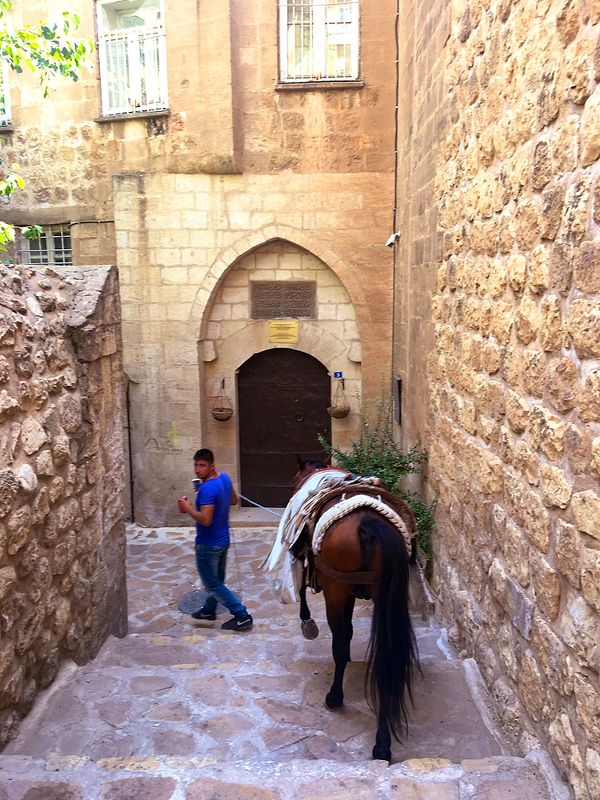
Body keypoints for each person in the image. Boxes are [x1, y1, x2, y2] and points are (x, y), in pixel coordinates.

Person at [177, 448, 253, 631]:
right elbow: (234, 500)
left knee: (212, 583)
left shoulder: (207, 489)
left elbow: (205, 519)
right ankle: (209, 610)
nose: (197, 470)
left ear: (212, 466)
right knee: (217, 579)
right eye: (196, 465)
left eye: (202, 466)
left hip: (208, 544)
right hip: (223, 541)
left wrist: (187, 507)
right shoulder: (225, 478)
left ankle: (242, 615)